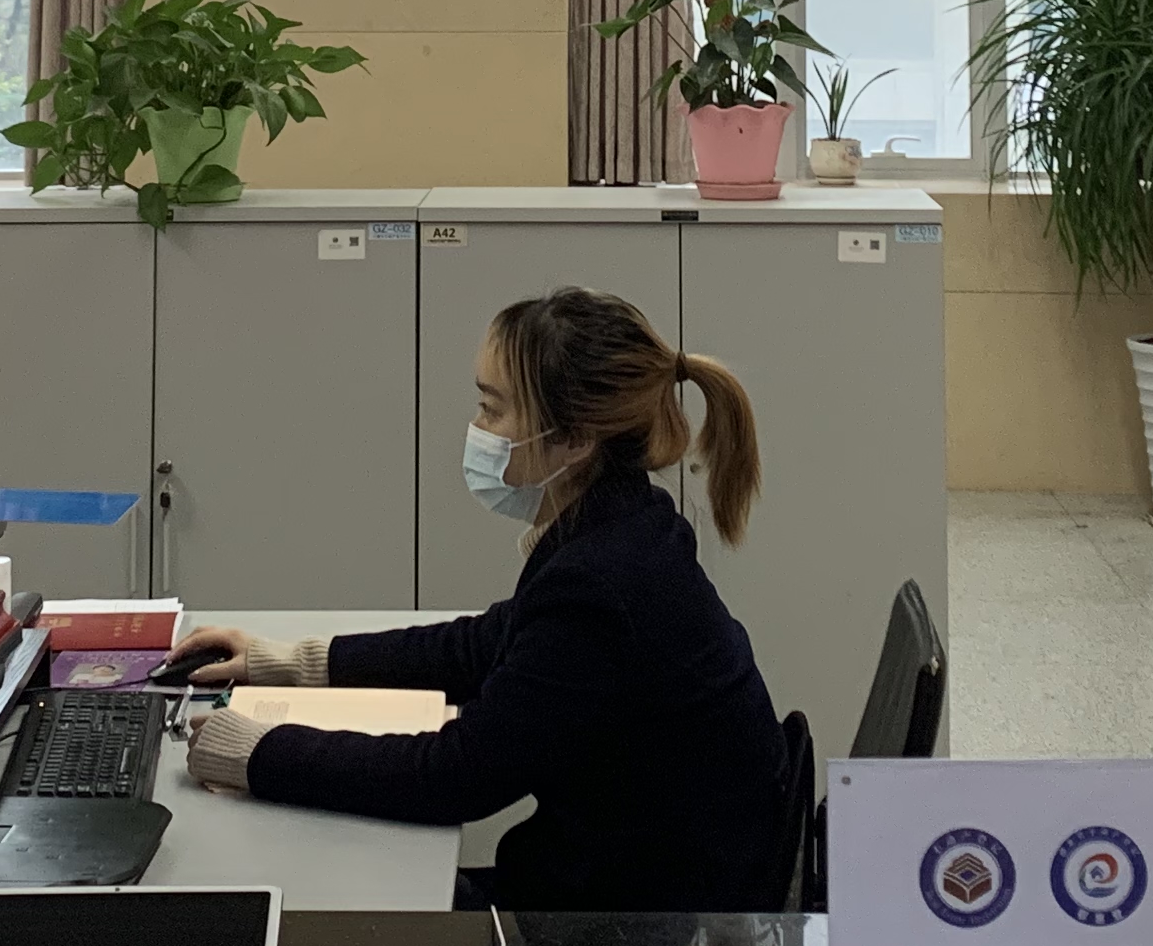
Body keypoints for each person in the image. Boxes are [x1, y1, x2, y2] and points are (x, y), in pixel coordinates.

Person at [175, 286, 786, 912]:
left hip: (631, 926)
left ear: (576, 439)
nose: (478, 430)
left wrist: (258, 752)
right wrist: (285, 663)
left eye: (493, 410)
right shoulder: (624, 523)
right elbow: (483, 645)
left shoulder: (602, 582)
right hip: (637, 883)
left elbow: (456, 776)